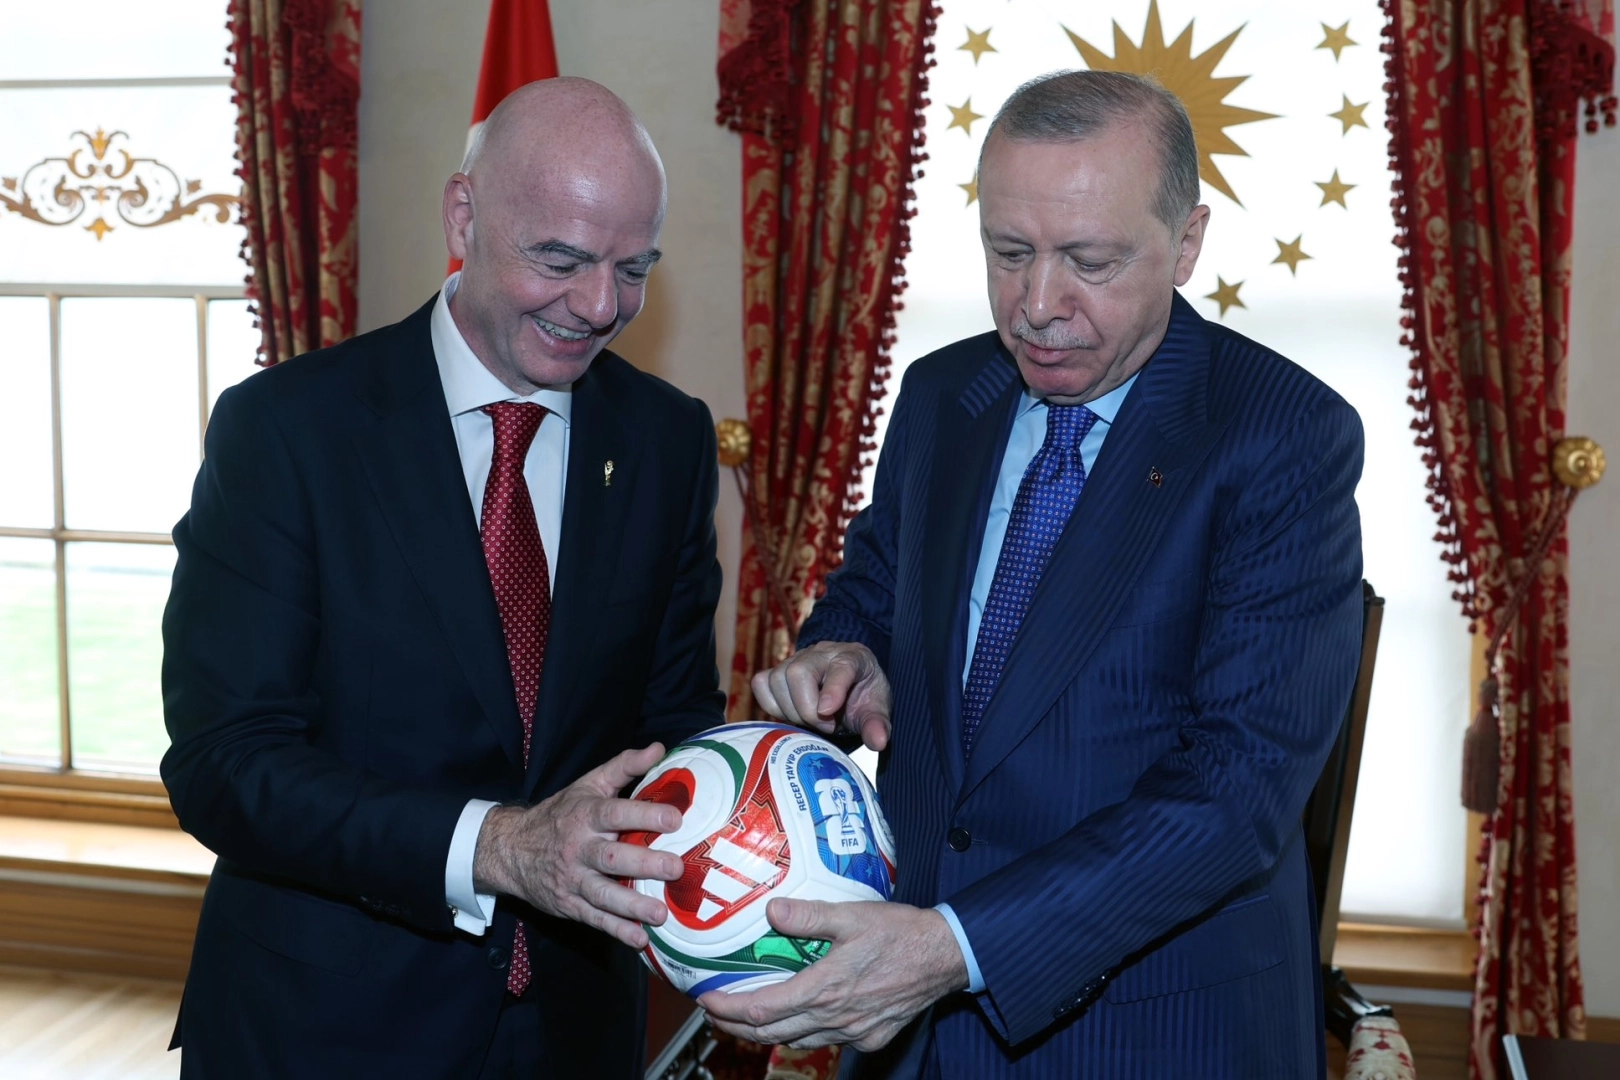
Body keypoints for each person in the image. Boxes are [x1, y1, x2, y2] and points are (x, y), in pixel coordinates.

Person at [703, 70, 1365, 1078]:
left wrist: (957, 946)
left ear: (1187, 242)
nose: (1038, 306)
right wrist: (843, 655)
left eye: (1089, 261)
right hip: (907, 1029)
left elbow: (1238, 791)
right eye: (1009, 254)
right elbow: (872, 588)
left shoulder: (1282, 435)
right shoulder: (943, 394)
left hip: (1148, 1035)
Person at [161, 78, 723, 1079]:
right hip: (323, 1031)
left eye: (633, 269)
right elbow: (226, 763)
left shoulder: (665, 440)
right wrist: (493, 847)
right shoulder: (287, 432)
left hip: (577, 1030)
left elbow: (674, 729)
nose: (600, 306)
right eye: (561, 259)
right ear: (464, 217)